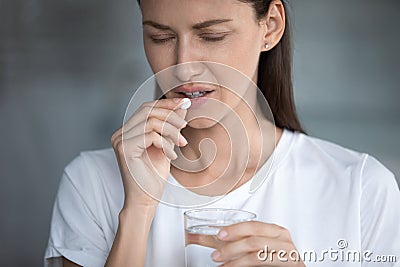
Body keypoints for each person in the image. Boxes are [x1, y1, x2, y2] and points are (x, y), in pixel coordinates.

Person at [44, 0, 400, 266]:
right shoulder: (91, 182)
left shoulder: (361, 189)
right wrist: (137, 212)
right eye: (161, 36)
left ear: (271, 26)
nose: (184, 65)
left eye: (212, 36)